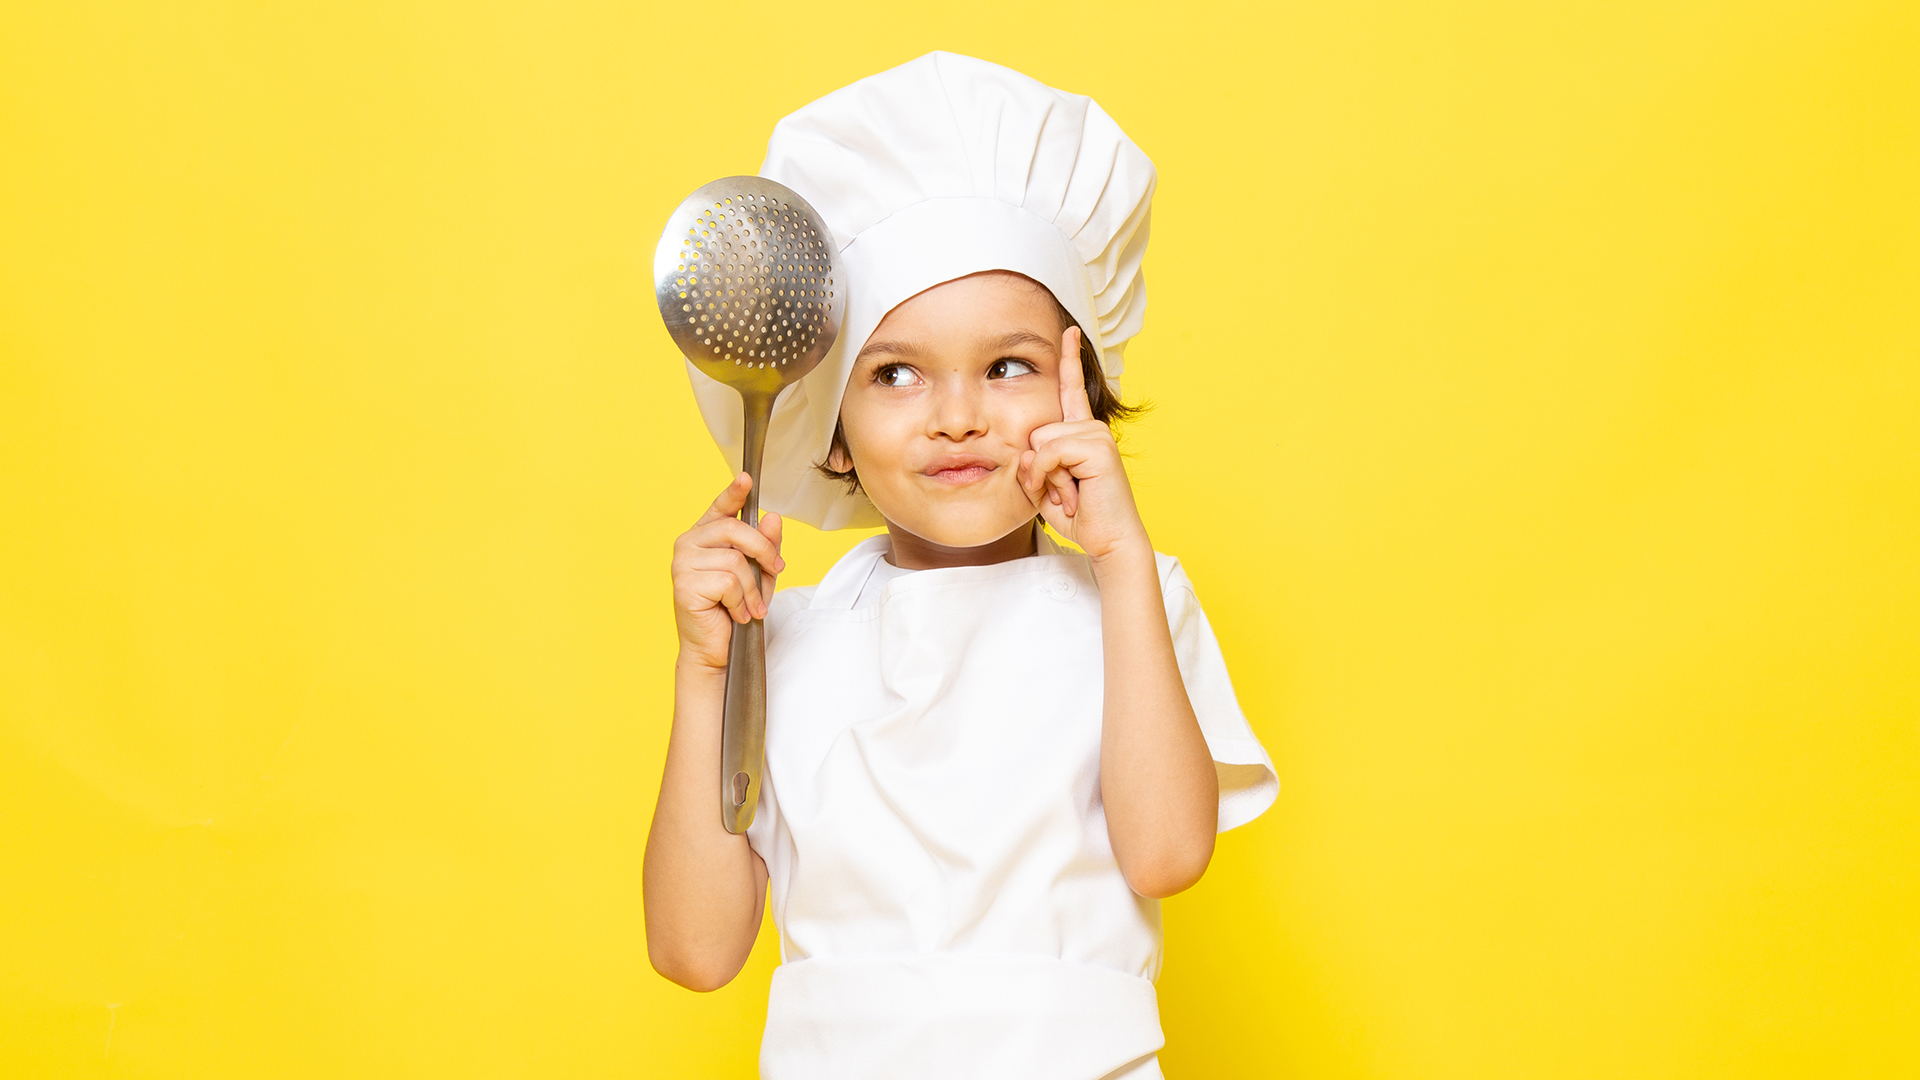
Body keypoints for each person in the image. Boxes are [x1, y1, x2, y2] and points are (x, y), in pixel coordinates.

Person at [642, 52, 1278, 1080]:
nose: (957, 416)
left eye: (1007, 366)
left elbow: (1167, 855)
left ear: (1081, 392)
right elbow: (696, 950)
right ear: (829, 424)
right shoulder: (781, 639)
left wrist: (1122, 562)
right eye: (897, 373)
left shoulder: (1133, 601)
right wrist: (703, 670)